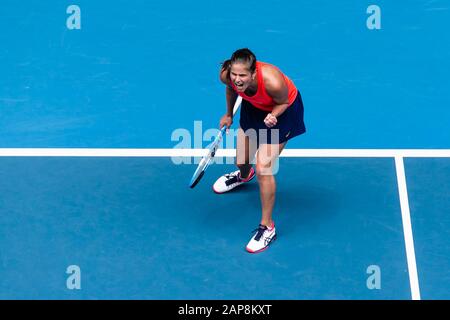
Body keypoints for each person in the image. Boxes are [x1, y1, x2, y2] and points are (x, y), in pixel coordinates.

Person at [213, 48, 306, 253]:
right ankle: (244, 176)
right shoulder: (227, 76)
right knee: (241, 160)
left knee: (264, 167)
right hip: (254, 108)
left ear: (253, 73)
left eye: (243, 75)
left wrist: (274, 115)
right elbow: (231, 90)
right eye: (235, 75)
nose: (237, 79)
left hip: (282, 110)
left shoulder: (273, 80)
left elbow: (284, 101)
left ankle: (267, 227)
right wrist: (229, 114)